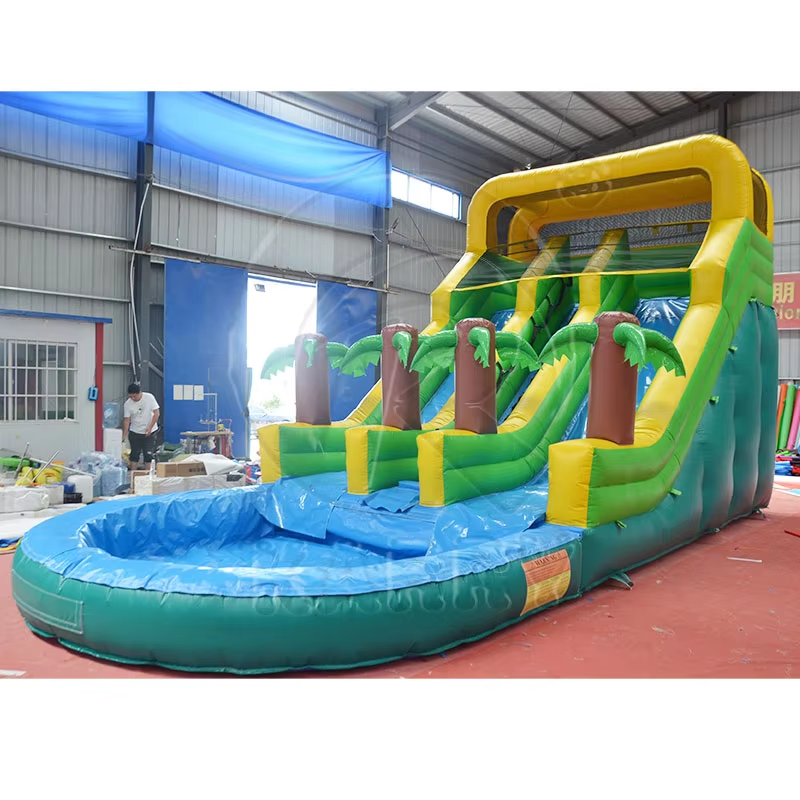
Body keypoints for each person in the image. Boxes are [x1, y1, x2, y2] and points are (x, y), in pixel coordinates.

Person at [122, 382, 160, 469]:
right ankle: (133, 474)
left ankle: (148, 474)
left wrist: (150, 428)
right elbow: (127, 420)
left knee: (148, 454)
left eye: (134, 396)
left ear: (139, 393)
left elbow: (156, 413)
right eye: (130, 396)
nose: (133, 398)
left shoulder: (149, 398)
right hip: (135, 431)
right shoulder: (127, 404)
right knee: (134, 455)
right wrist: (124, 435)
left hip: (150, 431)